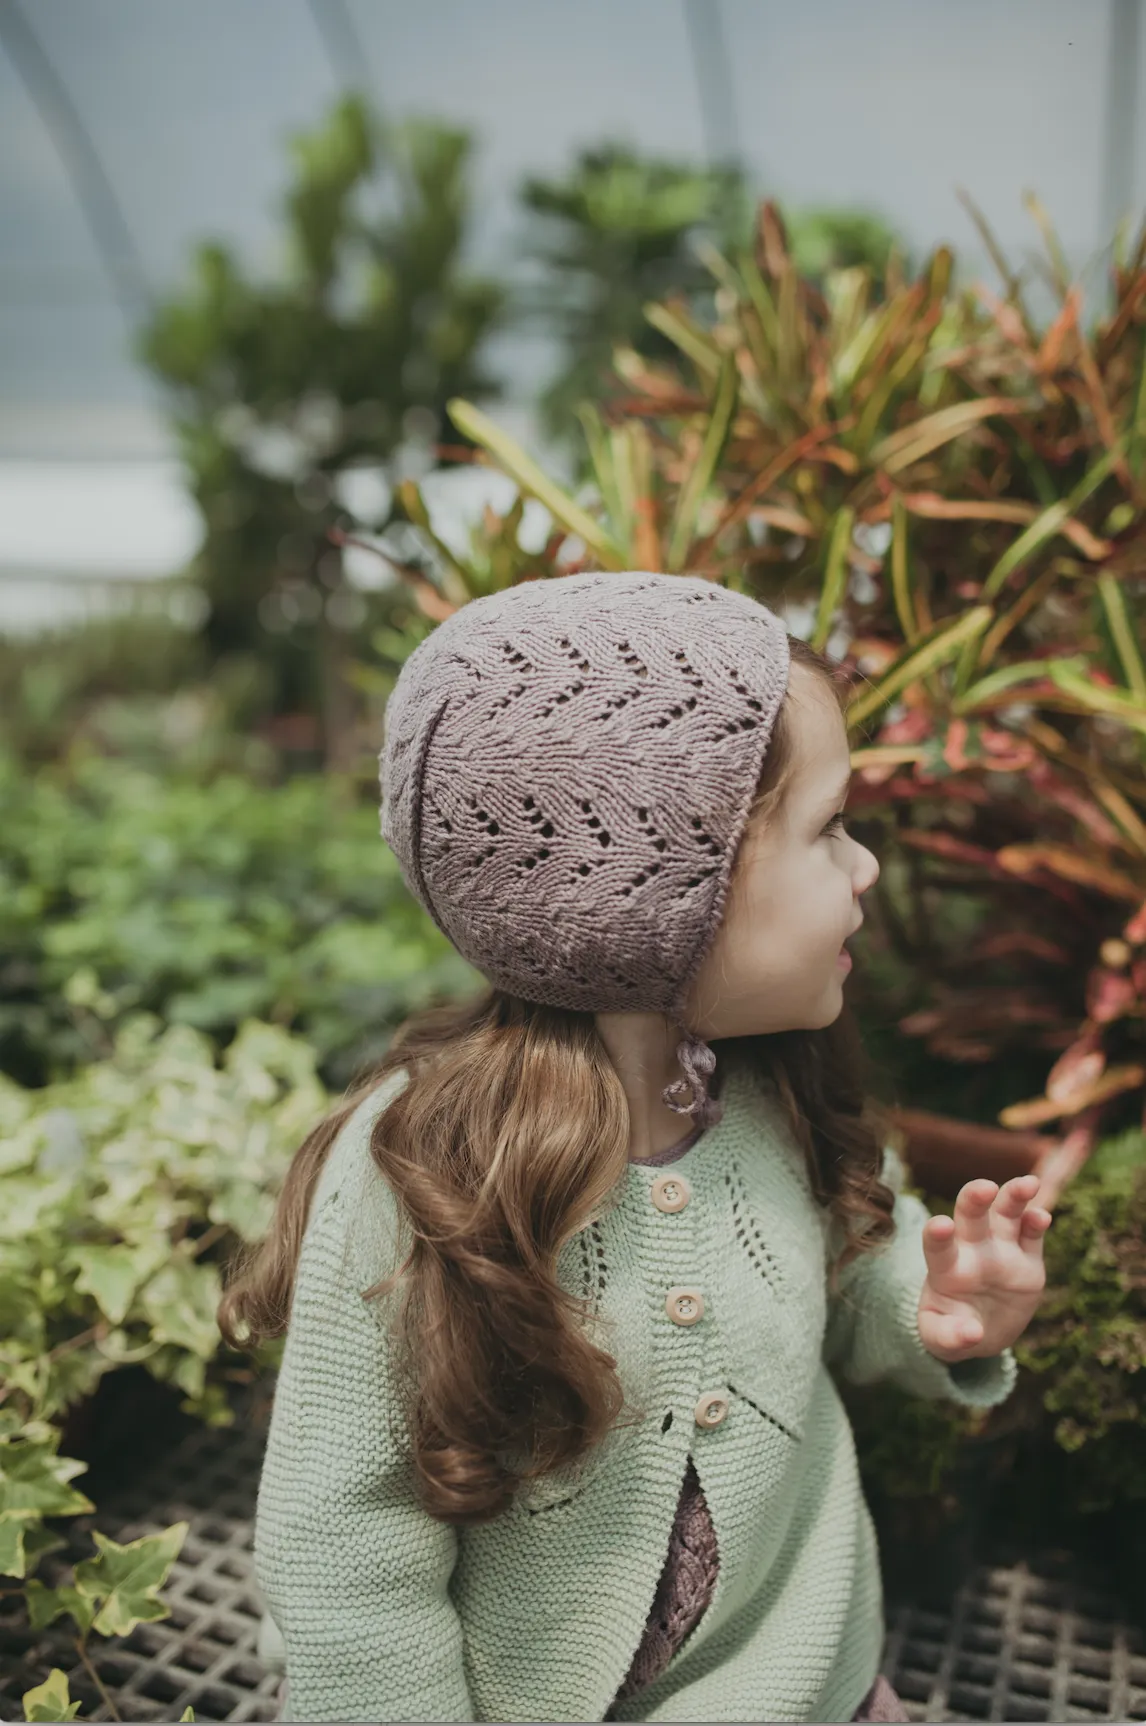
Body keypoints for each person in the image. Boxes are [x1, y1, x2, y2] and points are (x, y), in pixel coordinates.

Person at [221, 571, 1052, 1724]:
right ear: (668, 900)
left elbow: (848, 1264)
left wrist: (932, 1296)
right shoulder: (427, 1176)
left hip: (813, 1672)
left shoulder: (782, 1092)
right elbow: (347, 1547)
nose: (865, 868)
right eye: (828, 831)